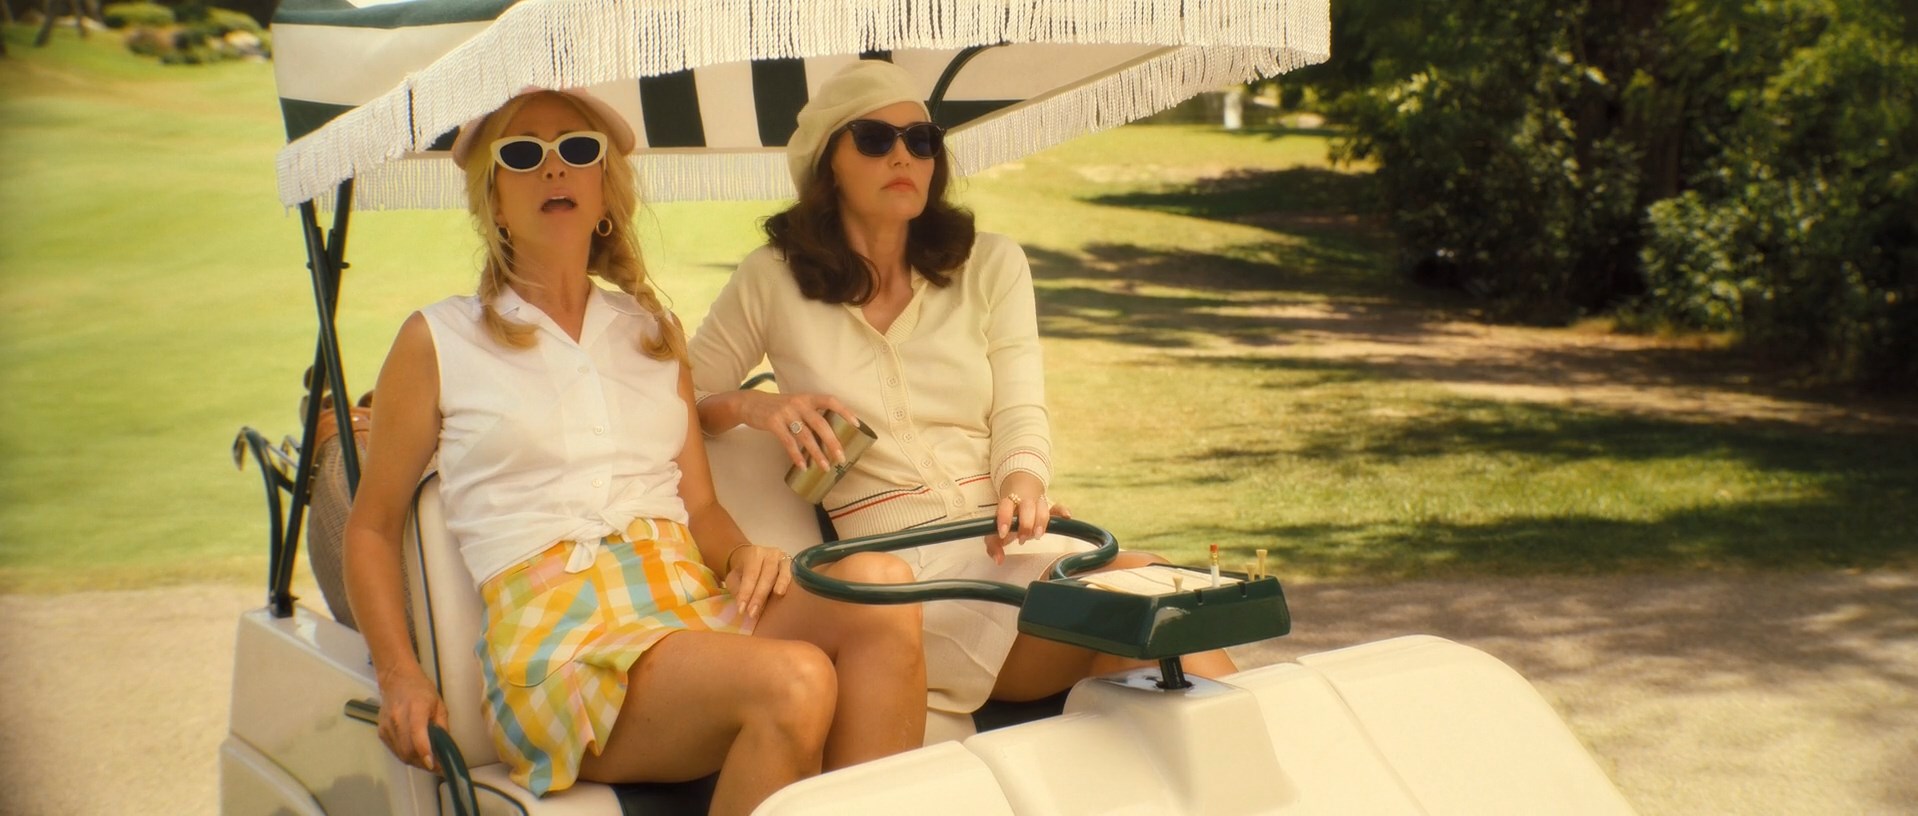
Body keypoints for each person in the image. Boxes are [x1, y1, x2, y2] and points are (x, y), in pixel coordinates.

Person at [341, 87, 926, 815]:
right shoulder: (438, 339)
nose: (554, 167)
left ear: (602, 190)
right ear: (493, 202)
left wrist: (742, 555)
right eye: (522, 154)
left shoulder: (650, 332)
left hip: (686, 603)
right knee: (796, 679)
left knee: (884, 589)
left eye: (577, 149)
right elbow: (371, 526)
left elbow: (700, 508)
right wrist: (399, 674)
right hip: (560, 642)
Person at [689, 61, 1236, 724]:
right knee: (1146, 610)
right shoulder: (770, 280)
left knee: (1153, 594)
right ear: (827, 163)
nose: (904, 156)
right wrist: (756, 405)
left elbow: (1020, 409)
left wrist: (1023, 484)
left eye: (921, 140)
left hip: (1009, 546)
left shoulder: (993, 264)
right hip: (897, 584)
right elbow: (682, 398)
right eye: (875, 139)